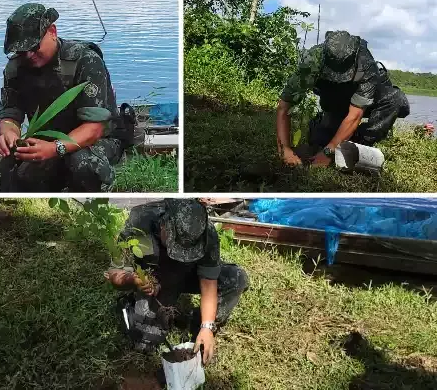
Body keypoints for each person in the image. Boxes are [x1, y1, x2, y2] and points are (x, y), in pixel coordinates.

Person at [0, 3, 126, 192]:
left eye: (34, 46)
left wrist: (55, 148)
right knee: (11, 180)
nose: (29, 55)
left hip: (96, 140)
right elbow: (10, 115)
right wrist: (9, 134)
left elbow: (94, 128)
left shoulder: (85, 60)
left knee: (81, 163)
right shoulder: (15, 69)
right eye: (22, 51)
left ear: (52, 31)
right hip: (46, 139)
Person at [105, 199, 249, 365]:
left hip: (189, 274)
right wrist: (135, 280)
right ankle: (138, 305)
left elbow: (209, 281)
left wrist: (207, 326)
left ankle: (196, 320)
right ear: (164, 225)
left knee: (237, 278)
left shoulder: (207, 234)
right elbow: (115, 275)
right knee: (145, 342)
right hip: (157, 280)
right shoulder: (140, 223)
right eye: (178, 247)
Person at [277, 30, 410, 168]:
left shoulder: (366, 63)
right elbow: (284, 107)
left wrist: (328, 152)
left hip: (362, 101)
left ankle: (361, 141)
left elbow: (355, 114)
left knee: (396, 99)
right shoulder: (312, 60)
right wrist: (285, 149)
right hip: (334, 102)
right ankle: (325, 125)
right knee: (319, 139)